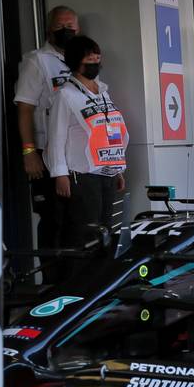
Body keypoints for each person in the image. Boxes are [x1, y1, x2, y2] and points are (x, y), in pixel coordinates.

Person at [44, 36, 128, 266]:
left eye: (97, 58)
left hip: (107, 172)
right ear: (75, 61)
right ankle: (79, 286)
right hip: (81, 174)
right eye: (89, 58)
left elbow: (110, 132)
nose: (95, 62)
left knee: (105, 233)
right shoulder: (65, 95)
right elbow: (56, 137)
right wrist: (59, 174)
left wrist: (118, 169)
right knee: (84, 235)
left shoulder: (103, 93)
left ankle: (100, 283)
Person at [14, 5, 79, 276]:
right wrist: (29, 151)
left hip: (76, 155)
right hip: (44, 151)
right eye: (59, 27)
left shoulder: (82, 59)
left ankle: (74, 284)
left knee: (74, 222)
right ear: (49, 29)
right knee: (52, 219)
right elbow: (25, 108)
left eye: (71, 27)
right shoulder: (37, 60)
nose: (65, 31)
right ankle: (51, 285)